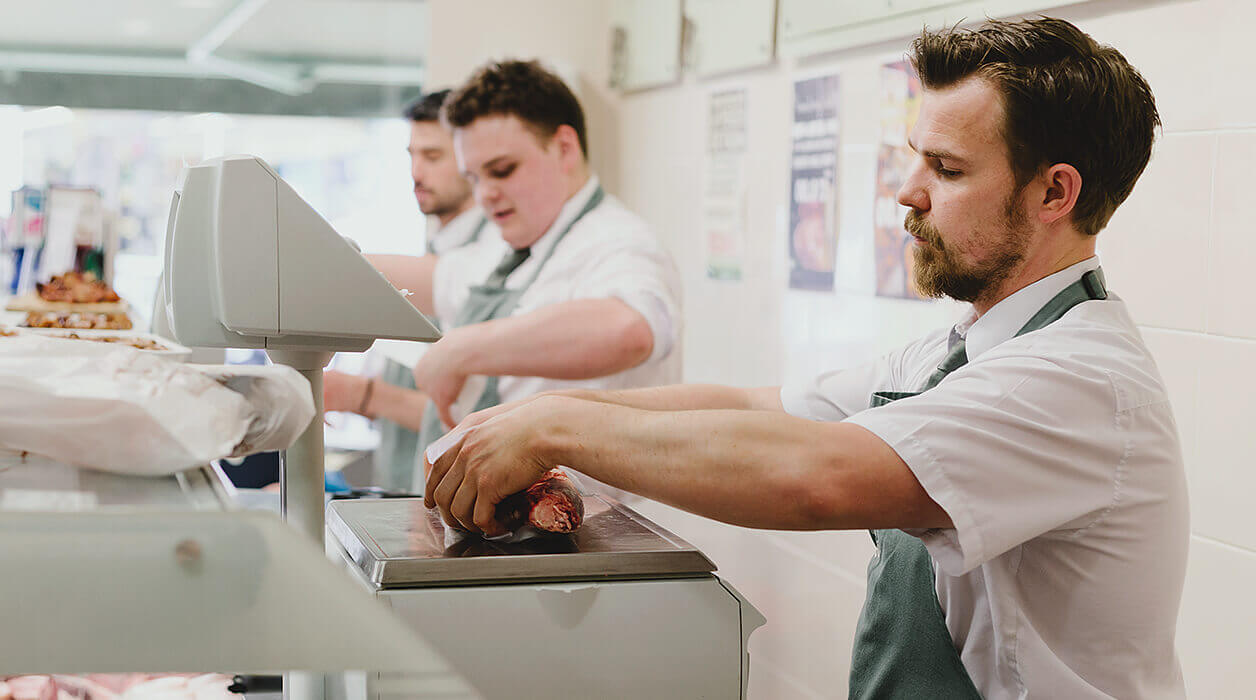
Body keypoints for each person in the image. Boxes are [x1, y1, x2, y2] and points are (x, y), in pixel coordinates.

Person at [425, 18, 1185, 699]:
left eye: (948, 170)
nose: (908, 193)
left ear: (1054, 193)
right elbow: (757, 408)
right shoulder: (962, 350)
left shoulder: (1076, 377)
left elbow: (814, 478)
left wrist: (555, 429)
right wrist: (533, 415)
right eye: (915, 161)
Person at [358, 59, 683, 494]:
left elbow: (629, 330)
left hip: (585, 525)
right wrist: (316, 260)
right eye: (474, 177)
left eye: (502, 170)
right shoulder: (505, 246)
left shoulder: (619, 242)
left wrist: (462, 349)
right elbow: (431, 278)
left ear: (564, 148)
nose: (485, 194)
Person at [323, 89, 493, 492]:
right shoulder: (437, 249)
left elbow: (483, 414)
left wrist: (362, 394)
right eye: (412, 155)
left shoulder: (488, 262)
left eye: (432, 156)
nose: (416, 172)